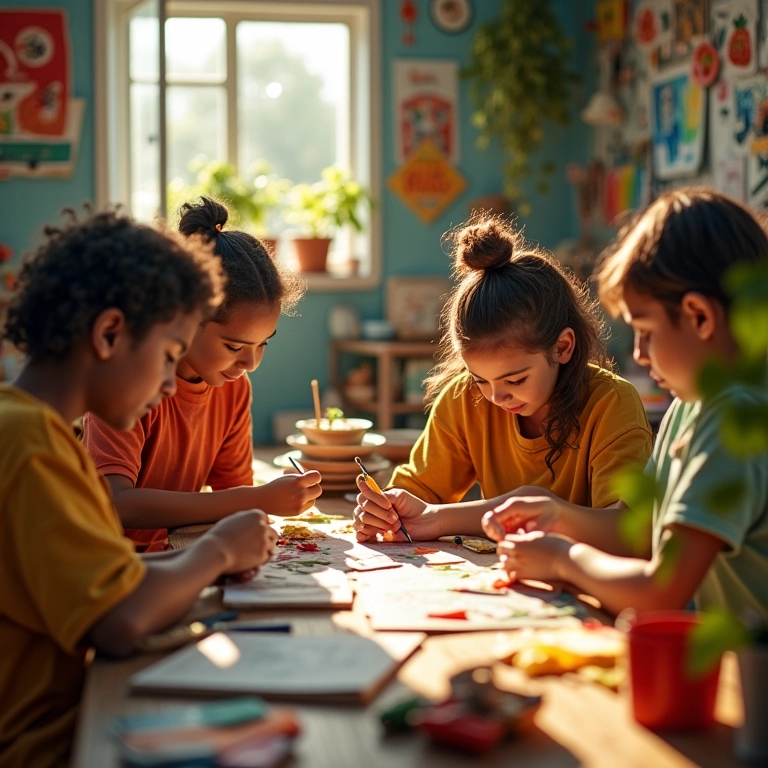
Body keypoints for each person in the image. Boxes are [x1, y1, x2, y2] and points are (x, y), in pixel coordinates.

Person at [0, 208, 278, 768]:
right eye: (171, 354)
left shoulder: (40, 431)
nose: (174, 381)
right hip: (48, 743)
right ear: (108, 334)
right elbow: (121, 620)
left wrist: (203, 563)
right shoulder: (29, 444)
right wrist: (217, 549)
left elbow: (111, 579)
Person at [482, 188, 768, 622]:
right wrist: (556, 516)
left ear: (700, 317)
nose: (638, 354)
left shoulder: (735, 416)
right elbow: (635, 534)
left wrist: (563, 559)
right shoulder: (693, 404)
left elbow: (660, 592)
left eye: (646, 331)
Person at [353, 214, 653, 542]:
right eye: (480, 379)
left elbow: (630, 534)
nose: (495, 396)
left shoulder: (612, 404)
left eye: (515, 380)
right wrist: (386, 511)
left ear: (562, 347)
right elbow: (419, 493)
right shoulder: (465, 397)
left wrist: (540, 512)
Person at [83, 197, 320, 552]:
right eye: (234, 347)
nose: (251, 364)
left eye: (263, 345)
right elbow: (116, 504)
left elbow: (233, 495)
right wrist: (256, 500)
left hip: (174, 559)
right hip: (108, 568)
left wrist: (264, 498)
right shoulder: (127, 384)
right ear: (186, 317)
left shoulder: (233, 389)